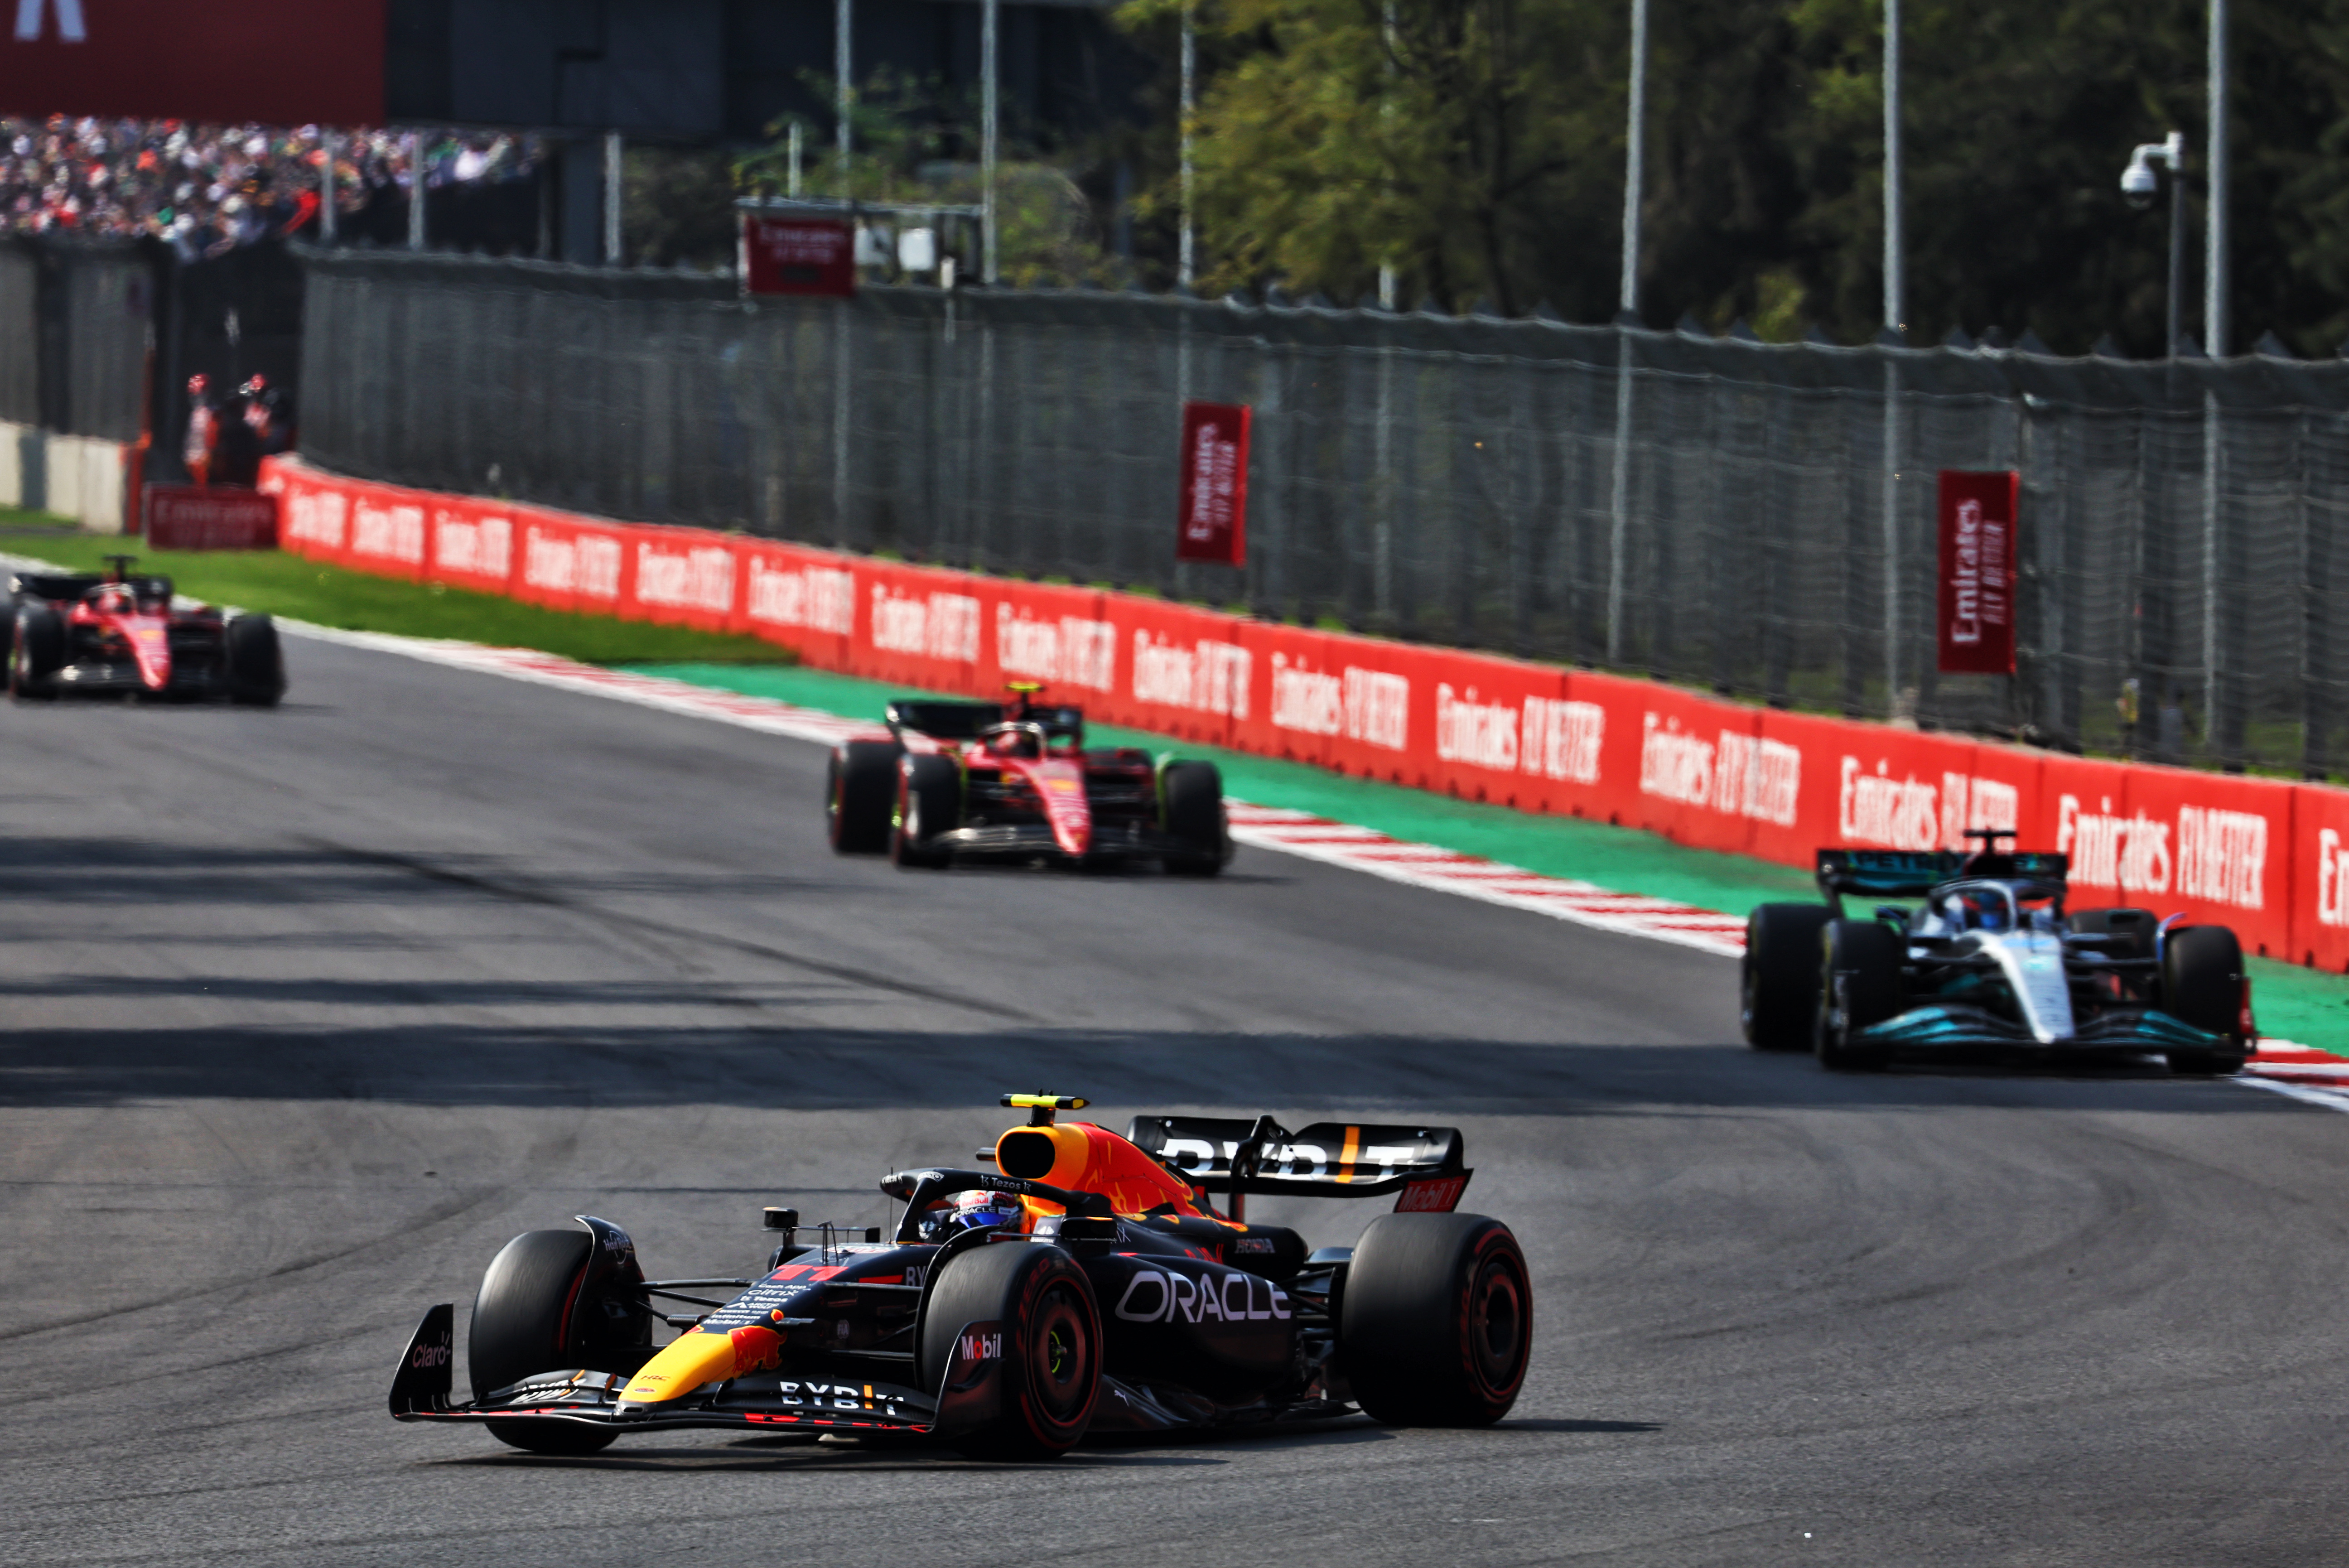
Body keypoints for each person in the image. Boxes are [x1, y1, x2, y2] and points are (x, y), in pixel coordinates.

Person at [182, 373, 216, 486]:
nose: (197, 398)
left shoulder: (210, 414)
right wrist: (187, 456)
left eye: (200, 395)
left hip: (203, 460)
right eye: (194, 395)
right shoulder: (195, 414)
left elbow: (212, 438)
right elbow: (190, 438)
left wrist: (208, 456)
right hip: (192, 458)